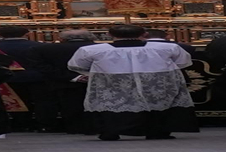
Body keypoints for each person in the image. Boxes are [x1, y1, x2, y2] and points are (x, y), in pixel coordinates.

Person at [68, 25, 196, 141]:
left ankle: (110, 132)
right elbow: (182, 62)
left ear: (110, 35)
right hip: (156, 80)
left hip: (111, 82)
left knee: (111, 103)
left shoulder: (92, 50)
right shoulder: (167, 47)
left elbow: (77, 65)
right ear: (144, 34)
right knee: (156, 104)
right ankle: (157, 132)